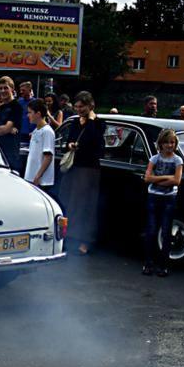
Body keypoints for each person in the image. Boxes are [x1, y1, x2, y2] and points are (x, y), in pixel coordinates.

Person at [58, 91, 106, 255]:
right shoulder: (75, 122)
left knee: (87, 205)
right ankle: (68, 237)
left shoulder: (98, 123)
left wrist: (91, 120)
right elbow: (67, 141)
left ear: (90, 106)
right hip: (74, 167)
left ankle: (85, 240)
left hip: (89, 169)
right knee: (70, 203)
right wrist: (70, 145)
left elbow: (96, 142)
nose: (79, 110)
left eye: (82, 107)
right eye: (77, 106)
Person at [142, 129, 183, 277]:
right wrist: (167, 178)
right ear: (161, 144)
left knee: (166, 232)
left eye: (172, 142)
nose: (169, 145)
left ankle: (163, 264)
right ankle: (148, 262)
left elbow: (177, 180)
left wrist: (156, 178)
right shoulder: (154, 158)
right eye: (166, 142)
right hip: (154, 196)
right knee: (151, 230)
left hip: (169, 197)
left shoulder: (178, 160)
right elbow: (147, 178)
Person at [0, 76, 22, 171]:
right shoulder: (1, 108)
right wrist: (4, 129)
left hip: (11, 154)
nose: (3, 91)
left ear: (12, 89)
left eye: (5, 88)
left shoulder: (16, 106)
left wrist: (1, 130)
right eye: (0, 88)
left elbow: (6, 129)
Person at [24, 99, 55, 190]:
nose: (28, 115)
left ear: (38, 113)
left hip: (41, 180)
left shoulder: (47, 131)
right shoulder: (36, 130)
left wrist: (38, 175)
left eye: (30, 112)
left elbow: (48, 157)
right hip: (31, 176)